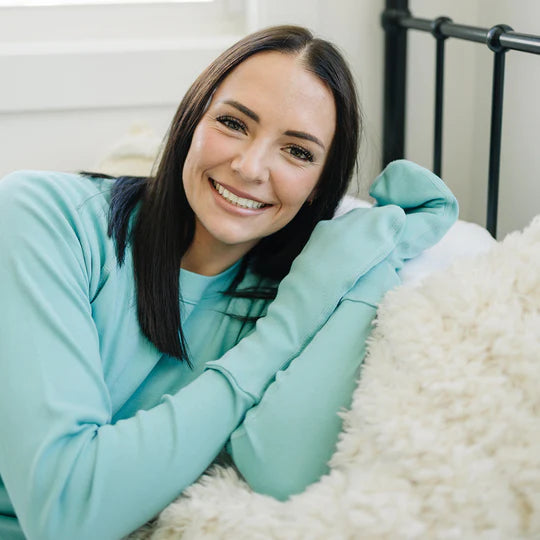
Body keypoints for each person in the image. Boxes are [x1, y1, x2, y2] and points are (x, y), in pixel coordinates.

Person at [0, 25, 458, 540]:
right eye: (234, 123)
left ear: (319, 188)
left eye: (298, 152)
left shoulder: (297, 286)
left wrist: (376, 256)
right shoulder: (41, 215)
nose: (250, 167)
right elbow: (64, 512)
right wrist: (284, 330)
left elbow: (280, 470)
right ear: (192, 119)